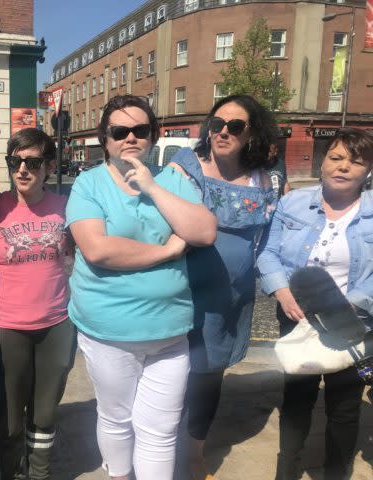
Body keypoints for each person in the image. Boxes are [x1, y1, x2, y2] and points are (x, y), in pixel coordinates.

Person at [66, 94, 217, 480]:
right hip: (110, 331)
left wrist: (152, 187)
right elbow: (98, 249)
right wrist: (167, 252)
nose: (130, 138)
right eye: (119, 131)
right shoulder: (89, 184)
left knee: (161, 430)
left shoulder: (170, 180)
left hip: (169, 332)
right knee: (117, 418)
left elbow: (202, 232)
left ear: (153, 135)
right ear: (105, 139)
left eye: (140, 130)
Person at [169, 94, 278, 480]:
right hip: (178, 293)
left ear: (252, 134)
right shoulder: (184, 167)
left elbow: (266, 241)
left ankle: (194, 452)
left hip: (228, 299)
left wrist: (278, 284)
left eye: (235, 126)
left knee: (208, 378)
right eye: (217, 124)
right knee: (168, 376)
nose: (223, 132)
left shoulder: (263, 178)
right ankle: (159, 450)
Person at [257, 128, 373, 480]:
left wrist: (351, 304)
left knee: (344, 406)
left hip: (352, 323)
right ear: (323, 161)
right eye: (336, 158)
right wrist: (281, 290)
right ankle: (287, 471)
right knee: (296, 400)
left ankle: (336, 472)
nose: (344, 167)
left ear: (368, 170)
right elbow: (268, 252)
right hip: (296, 316)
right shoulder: (292, 203)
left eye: (356, 161)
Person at [0, 128, 76, 480]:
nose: (23, 169)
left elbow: (83, 254)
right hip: (9, 326)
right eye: (16, 161)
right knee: (9, 419)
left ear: (49, 166)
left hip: (57, 323)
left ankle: (38, 475)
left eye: (33, 162)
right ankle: (11, 473)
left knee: (44, 414)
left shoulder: (66, 208)